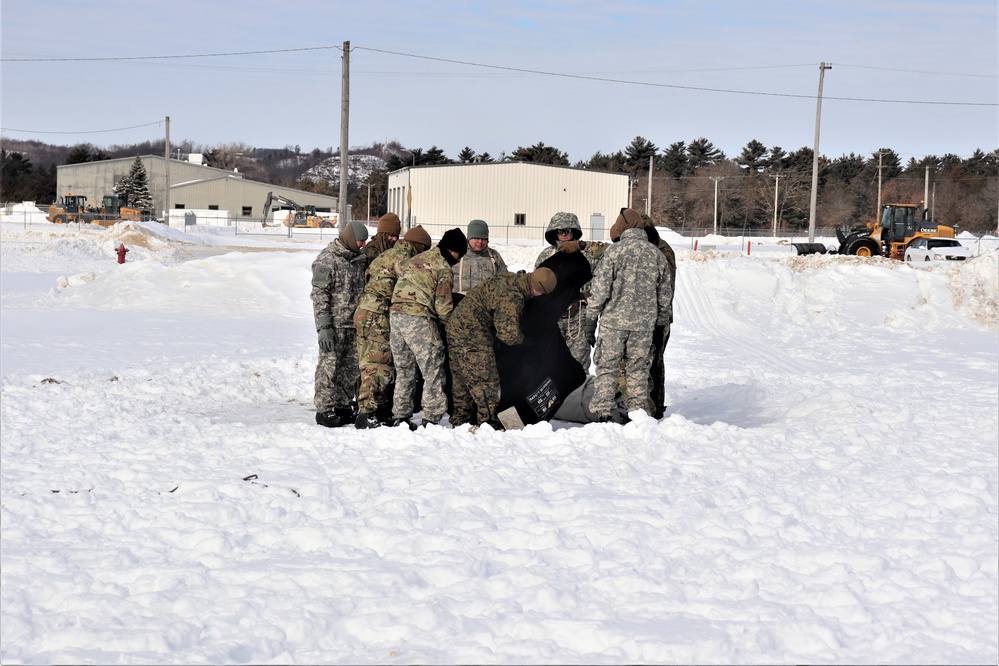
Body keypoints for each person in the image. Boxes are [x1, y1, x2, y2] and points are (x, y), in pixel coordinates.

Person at [585, 208, 673, 423]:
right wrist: (660, 322)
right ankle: (638, 413)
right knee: (638, 369)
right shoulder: (656, 254)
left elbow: (600, 289)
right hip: (643, 326)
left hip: (613, 323)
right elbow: (665, 294)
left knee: (607, 368)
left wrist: (590, 318)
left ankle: (604, 414)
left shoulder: (614, 252)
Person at [446, 267, 557, 430]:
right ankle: (487, 423)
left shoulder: (509, 278)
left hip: (455, 328)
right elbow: (508, 334)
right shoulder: (512, 296)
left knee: (462, 378)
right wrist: (527, 341)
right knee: (485, 379)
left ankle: (461, 420)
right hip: (472, 333)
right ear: (537, 289)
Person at [353, 225, 432, 429]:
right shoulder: (405, 260)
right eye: (424, 249)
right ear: (418, 245)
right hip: (377, 314)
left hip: (366, 310)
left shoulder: (388, 254)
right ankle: (367, 414)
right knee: (378, 365)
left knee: (368, 363)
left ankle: (373, 411)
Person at [388, 227, 467, 429]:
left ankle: (400, 415)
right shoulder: (442, 267)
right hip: (418, 318)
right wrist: (453, 328)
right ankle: (431, 417)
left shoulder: (416, 259)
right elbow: (443, 307)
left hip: (396, 317)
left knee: (404, 370)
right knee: (432, 369)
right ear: (452, 250)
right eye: (460, 254)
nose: (459, 260)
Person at [311, 220, 369, 428]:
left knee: (350, 369)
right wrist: (324, 327)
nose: (363, 245)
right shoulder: (327, 260)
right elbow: (319, 296)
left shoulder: (358, 260)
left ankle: (343, 406)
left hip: (354, 325)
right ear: (351, 239)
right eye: (360, 241)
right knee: (329, 367)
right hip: (334, 325)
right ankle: (324, 409)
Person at [534, 211, 608, 369]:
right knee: (549, 361)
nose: (564, 234)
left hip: (578, 315)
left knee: (579, 362)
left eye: (568, 230)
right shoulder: (546, 256)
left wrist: (582, 246)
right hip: (552, 316)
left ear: (574, 231)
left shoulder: (588, 255)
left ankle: (579, 392)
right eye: (560, 231)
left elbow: (606, 264)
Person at [453, 219, 508, 294]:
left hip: (487, 303)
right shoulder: (455, 254)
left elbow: (505, 280)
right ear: (469, 238)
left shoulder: (494, 257)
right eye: (476, 238)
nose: (480, 241)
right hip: (460, 302)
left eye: (483, 238)